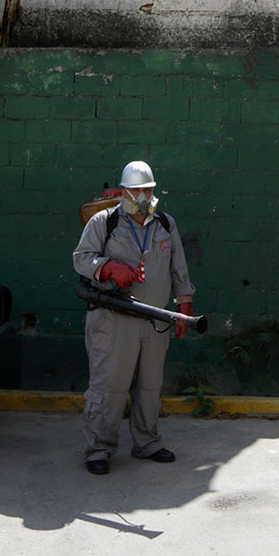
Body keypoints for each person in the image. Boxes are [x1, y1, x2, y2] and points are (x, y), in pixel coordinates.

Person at [72, 159, 195, 475]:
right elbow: (81, 258)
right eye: (138, 190)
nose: (144, 196)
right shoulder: (104, 221)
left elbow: (178, 267)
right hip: (113, 322)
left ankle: (148, 443)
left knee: (150, 387)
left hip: (155, 321)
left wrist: (183, 306)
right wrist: (108, 268)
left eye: (149, 189)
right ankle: (99, 449)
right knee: (109, 387)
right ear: (125, 191)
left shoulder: (165, 223)